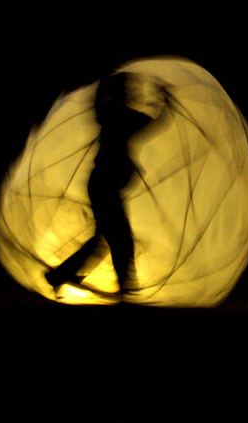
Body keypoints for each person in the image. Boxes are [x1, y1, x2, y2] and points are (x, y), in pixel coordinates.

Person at [45, 71, 166, 296]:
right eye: (129, 90)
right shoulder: (117, 115)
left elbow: (143, 121)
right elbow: (150, 122)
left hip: (104, 186)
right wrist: (162, 102)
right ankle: (124, 286)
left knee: (107, 238)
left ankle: (61, 275)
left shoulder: (109, 113)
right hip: (105, 187)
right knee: (120, 237)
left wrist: (159, 102)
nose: (133, 93)